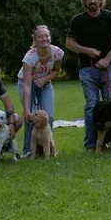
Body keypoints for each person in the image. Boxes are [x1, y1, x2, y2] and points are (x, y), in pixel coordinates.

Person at [65, 0, 111, 152]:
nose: (92, 1)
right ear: (84, 2)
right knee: (91, 105)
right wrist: (87, 50)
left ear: (100, 0)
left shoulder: (110, 17)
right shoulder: (78, 20)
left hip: (109, 69)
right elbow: (69, 43)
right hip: (87, 69)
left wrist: (107, 59)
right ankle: (91, 144)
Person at [18, 25, 64, 158]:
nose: (44, 38)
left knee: (48, 115)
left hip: (45, 82)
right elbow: (27, 84)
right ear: (35, 40)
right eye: (40, 36)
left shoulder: (57, 52)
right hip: (26, 83)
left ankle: (48, 149)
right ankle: (28, 151)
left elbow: (56, 71)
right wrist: (26, 109)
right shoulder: (29, 57)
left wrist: (45, 79)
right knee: (30, 116)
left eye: (46, 36)